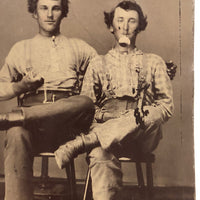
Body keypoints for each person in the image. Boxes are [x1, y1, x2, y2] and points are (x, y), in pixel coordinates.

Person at [54, 1, 174, 199]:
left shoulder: (154, 62)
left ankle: (82, 143)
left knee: (151, 112)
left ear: (140, 26)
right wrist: (110, 117)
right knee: (99, 155)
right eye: (120, 20)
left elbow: (166, 106)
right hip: (106, 135)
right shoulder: (97, 64)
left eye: (132, 21)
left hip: (141, 137)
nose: (125, 27)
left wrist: (136, 117)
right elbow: (86, 108)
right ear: (111, 26)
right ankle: (92, 142)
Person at [0, 0, 97, 199]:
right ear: (35, 13)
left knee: (86, 102)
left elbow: (105, 74)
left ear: (63, 13)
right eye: (44, 8)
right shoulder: (21, 48)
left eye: (56, 8)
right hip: (32, 129)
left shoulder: (78, 47)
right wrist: (22, 86)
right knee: (15, 134)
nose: (50, 14)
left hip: (67, 128)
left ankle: (16, 117)